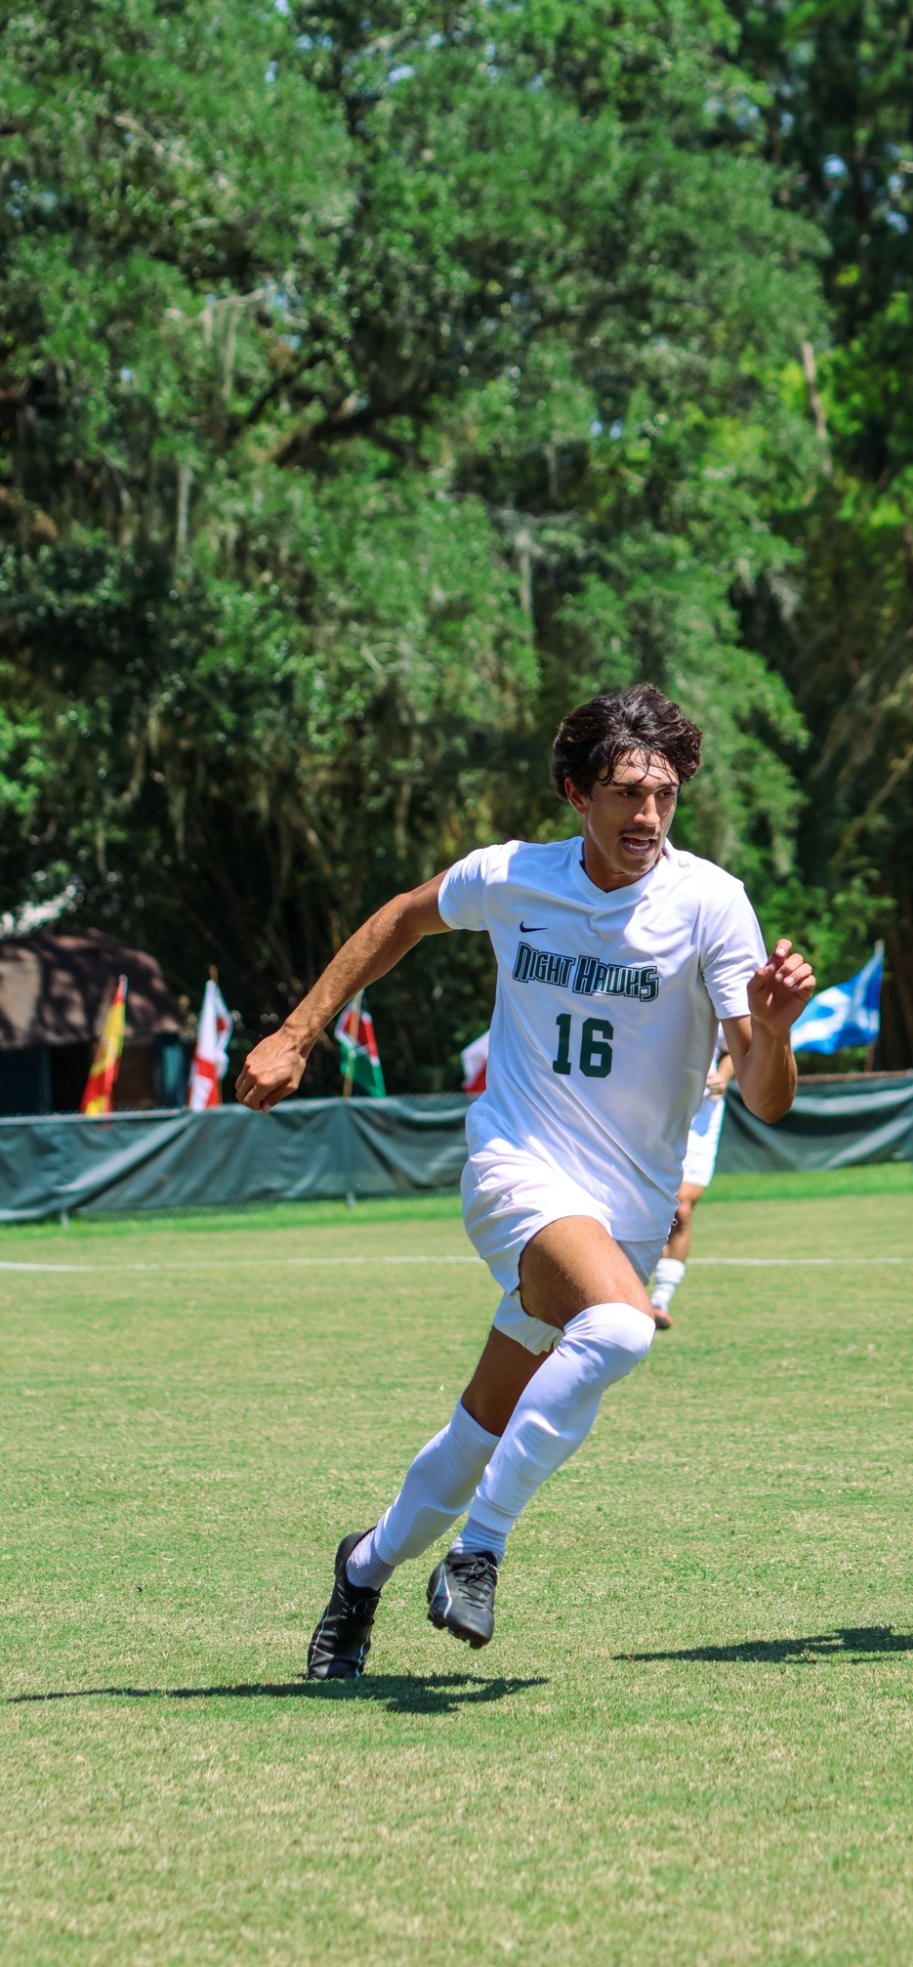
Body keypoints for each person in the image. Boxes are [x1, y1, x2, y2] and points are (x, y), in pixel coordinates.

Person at [235, 683, 814, 1676]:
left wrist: (774, 1026)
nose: (647, 815)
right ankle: (480, 1547)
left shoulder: (712, 903)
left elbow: (765, 1098)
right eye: (625, 791)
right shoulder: (512, 877)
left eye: (664, 795)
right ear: (572, 792)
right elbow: (400, 918)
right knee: (625, 1327)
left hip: (625, 1217)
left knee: (475, 1432)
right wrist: (298, 1030)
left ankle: (361, 1571)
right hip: (519, 1169)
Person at [646, 1032, 733, 1329]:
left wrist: (722, 1076)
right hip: (649, 1109)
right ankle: (621, 1293)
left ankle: (660, 1300)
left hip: (702, 1116)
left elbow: (736, 1047)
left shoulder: (721, 987)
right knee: (646, 1206)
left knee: (681, 1209)